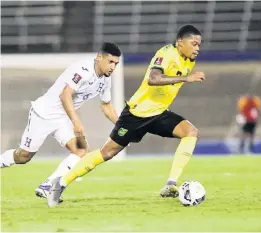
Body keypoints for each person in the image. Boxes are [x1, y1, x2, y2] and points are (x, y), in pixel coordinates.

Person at [48, 24, 206, 208]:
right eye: (194, 44)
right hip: (136, 114)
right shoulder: (166, 54)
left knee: (190, 132)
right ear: (180, 42)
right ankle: (60, 183)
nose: (197, 48)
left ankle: (171, 183)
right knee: (107, 152)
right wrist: (186, 78)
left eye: (199, 45)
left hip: (159, 112)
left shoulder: (188, 60)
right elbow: (153, 79)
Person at [0, 42, 121, 202]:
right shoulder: (83, 70)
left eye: (116, 64)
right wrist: (76, 121)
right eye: (110, 62)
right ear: (99, 58)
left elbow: (106, 106)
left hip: (62, 119)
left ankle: (48, 186)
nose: (113, 67)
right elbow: (65, 95)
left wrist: (124, 126)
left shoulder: (105, 79)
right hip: (43, 114)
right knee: (23, 156)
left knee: (81, 151)